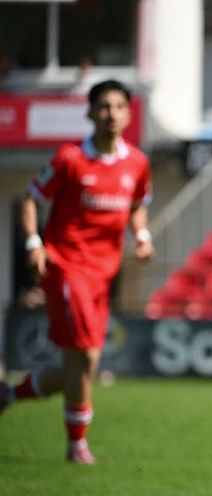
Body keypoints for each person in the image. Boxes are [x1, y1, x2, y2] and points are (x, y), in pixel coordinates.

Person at [0, 80, 153, 465]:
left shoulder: (137, 163)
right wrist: (33, 243)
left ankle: (10, 394)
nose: (111, 114)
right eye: (104, 106)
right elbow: (31, 200)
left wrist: (142, 236)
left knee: (81, 364)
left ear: (128, 114)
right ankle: (76, 445)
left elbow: (137, 204)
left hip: (104, 273)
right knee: (84, 357)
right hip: (66, 266)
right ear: (90, 113)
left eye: (119, 106)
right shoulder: (69, 159)